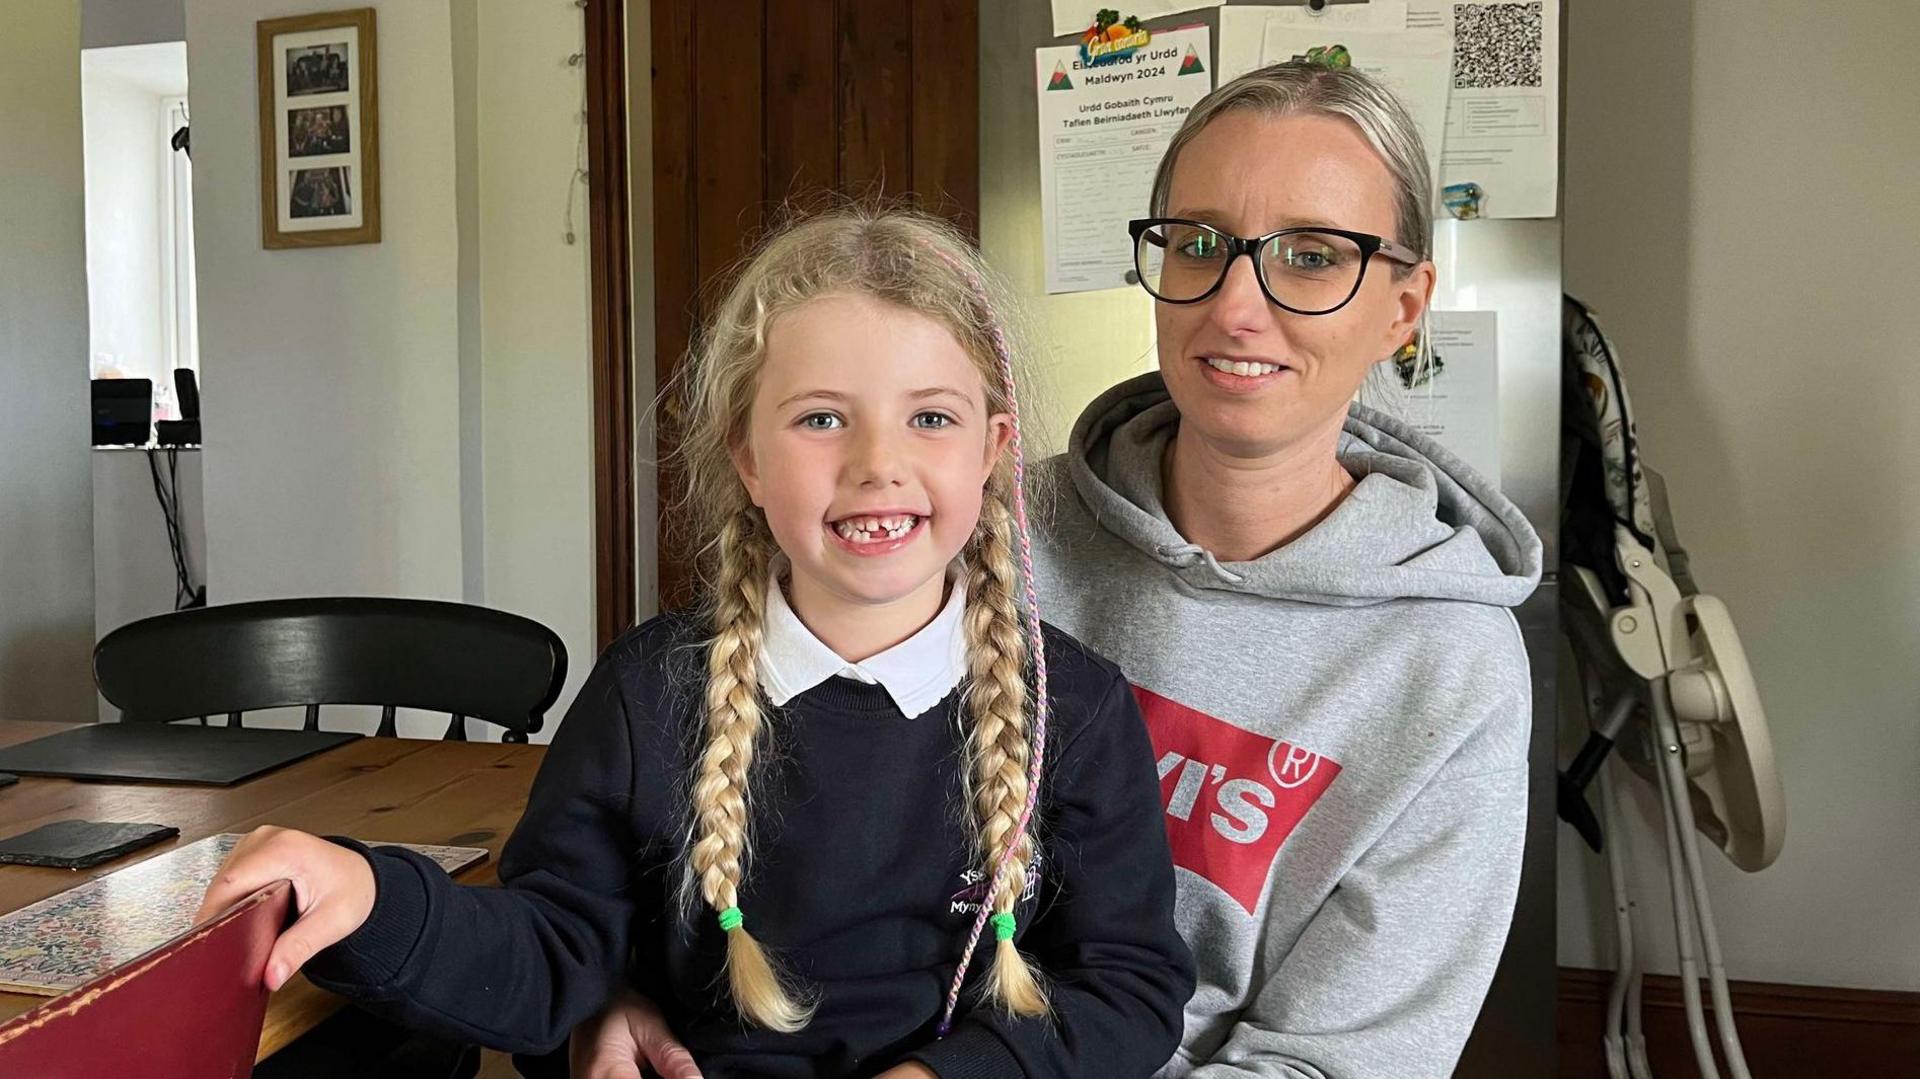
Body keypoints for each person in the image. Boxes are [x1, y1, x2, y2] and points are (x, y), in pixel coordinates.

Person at [577, 62, 1540, 1079]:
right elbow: (709, 799)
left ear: (1403, 307)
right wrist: (618, 983)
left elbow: (1345, 1062)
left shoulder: (1451, 661)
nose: (1237, 305)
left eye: (1311, 256)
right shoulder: (967, 517)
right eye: (1200, 244)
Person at [196, 209, 1194, 1077]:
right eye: (820, 419)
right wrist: (376, 897)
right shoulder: (648, 692)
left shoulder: (1079, 705)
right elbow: (552, 955)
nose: (877, 463)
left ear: (993, 447)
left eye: (929, 416)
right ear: (748, 458)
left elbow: (1130, 989)